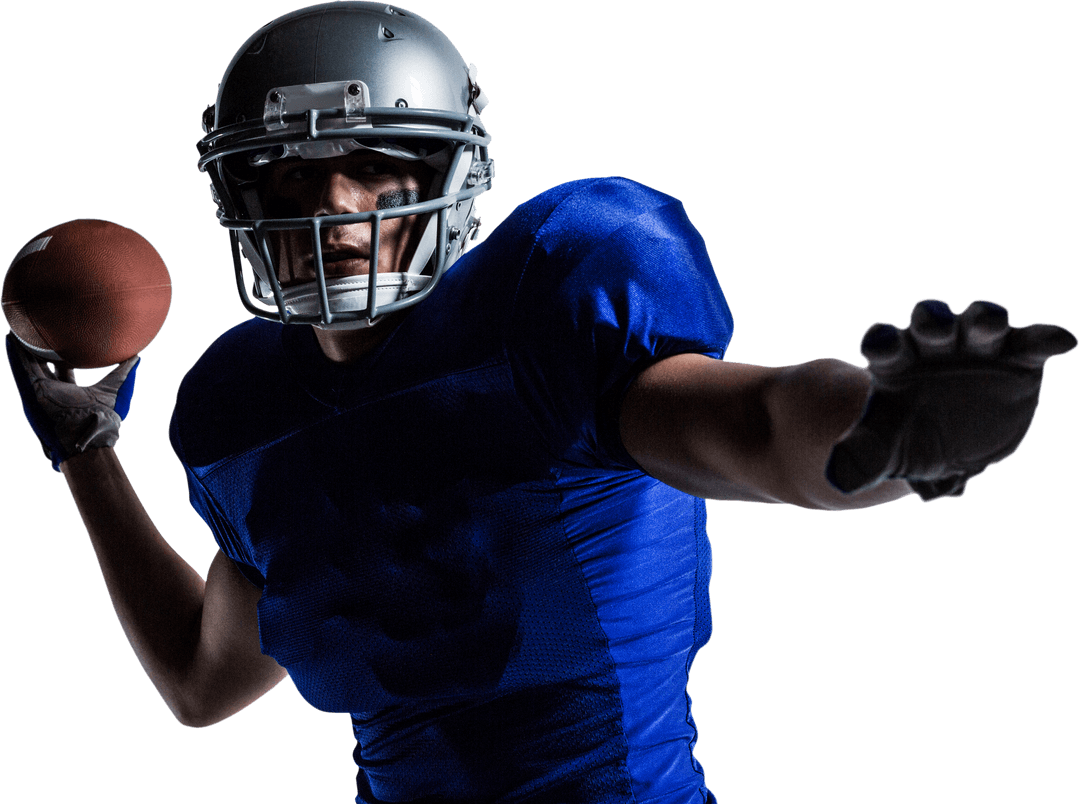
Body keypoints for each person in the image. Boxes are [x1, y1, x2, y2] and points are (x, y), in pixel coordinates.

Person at [5, 2, 1076, 803]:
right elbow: (201, 680)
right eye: (292, 174)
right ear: (239, 191)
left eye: (378, 167)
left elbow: (754, 429)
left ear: (452, 174)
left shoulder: (545, 309)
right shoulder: (239, 410)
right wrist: (88, 451)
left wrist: (883, 425)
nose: (333, 205)